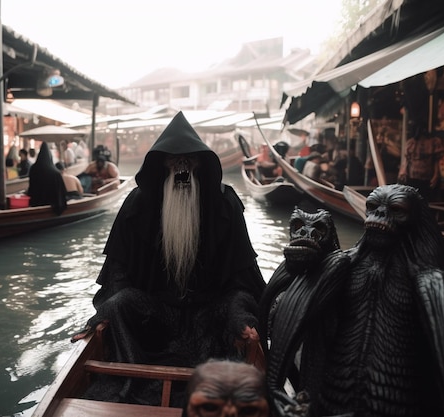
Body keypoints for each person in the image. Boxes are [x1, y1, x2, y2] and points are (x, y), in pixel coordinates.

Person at [73, 112, 265, 405]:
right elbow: (118, 271)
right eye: (175, 160)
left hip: (209, 315)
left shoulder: (224, 204)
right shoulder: (138, 204)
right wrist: (106, 312)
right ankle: (134, 376)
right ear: (162, 163)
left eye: (189, 160)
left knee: (235, 309)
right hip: (155, 314)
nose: (182, 166)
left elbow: (242, 276)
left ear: (201, 163)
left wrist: (241, 314)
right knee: (119, 303)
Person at [398, 123, 444, 201]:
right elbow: (407, 159)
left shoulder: (433, 142)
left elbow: (436, 161)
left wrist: (436, 175)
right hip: (413, 177)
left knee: (426, 201)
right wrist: (403, 171)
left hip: (427, 177)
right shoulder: (411, 143)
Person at [27, 142, 67, 215]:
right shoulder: (56, 173)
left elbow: (31, 187)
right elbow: (61, 193)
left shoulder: (33, 169)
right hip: (52, 205)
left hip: (35, 203)